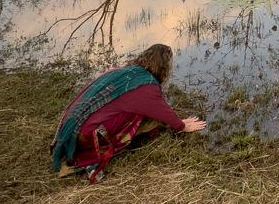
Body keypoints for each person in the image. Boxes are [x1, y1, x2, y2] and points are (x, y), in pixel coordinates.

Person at [50, 43, 205, 183]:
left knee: (134, 110)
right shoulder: (147, 87)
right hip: (87, 134)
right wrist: (182, 126)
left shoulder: (124, 72)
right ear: (164, 68)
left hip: (71, 125)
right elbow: (162, 111)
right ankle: (90, 157)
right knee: (138, 115)